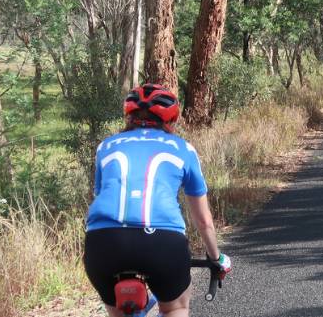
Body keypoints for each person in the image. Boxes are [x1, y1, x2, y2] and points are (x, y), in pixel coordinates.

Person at [83, 83, 231, 317]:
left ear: (129, 115)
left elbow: (100, 195)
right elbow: (204, 222)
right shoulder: (184, 148)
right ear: (171, 119)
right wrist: (216, 259)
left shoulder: (106, 146)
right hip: (162, 242)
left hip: (103, 243)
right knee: (177, 306)